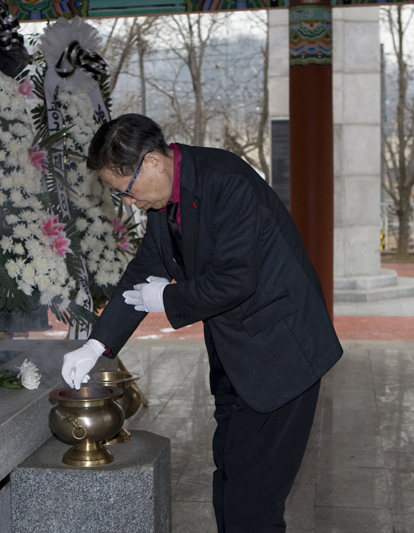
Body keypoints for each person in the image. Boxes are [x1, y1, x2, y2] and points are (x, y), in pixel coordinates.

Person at [61, 114, 342, 532]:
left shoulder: (224, 180)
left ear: (152, 162)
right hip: (237, 356)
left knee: (253, 500)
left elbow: (236, 279)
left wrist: (168, 298)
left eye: (127, 191)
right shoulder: (164, 201)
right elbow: (142, 274)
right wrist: (97, 345)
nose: (130, 203)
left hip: (281, 355)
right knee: (229, 478)